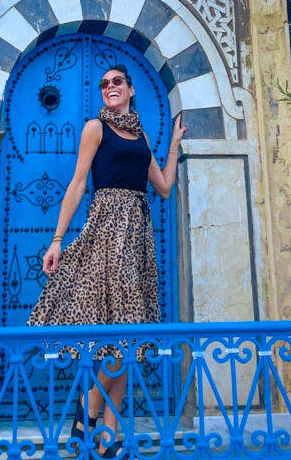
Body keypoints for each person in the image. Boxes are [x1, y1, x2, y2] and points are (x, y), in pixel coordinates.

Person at [27, 63, 187, 457]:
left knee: (129, 338)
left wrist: (174, 145)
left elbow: (163, 188)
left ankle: (105, 435)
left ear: (131, 89)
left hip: (137, 239)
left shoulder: (141, 135)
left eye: (117, 82)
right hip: (107, 234)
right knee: (123, 335)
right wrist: (57, 239)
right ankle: (91, 410)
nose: (110, 87)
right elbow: (79, 183)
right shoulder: (94, 128)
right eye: (104, 84)